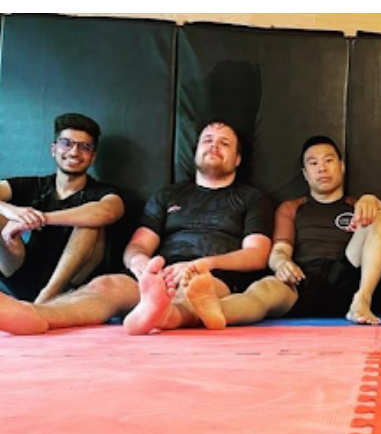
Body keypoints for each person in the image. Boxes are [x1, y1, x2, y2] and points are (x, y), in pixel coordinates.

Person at [0, 120, 273, 335]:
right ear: (195, 152)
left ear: (237, 158)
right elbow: (139, 245)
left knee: (194, 294)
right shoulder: (169, 195)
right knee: (105, 286)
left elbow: (256, 255)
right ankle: (37, 315)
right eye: (207, 140)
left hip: (210, 275)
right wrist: (139, 263)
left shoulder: (252, 198)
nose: (214, 146)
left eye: (224, 143)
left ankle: (158, 314)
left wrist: (203, 265)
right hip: (159, 271)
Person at [174, 135, 381, 330]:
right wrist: (282, 264)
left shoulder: (360, 205)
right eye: (313, 163)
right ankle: (216, 309)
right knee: (264, 289)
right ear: (305, 174)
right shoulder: (291, 208)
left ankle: (361, 302)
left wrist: (371, 200)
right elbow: (279, 250)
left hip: (350, 274)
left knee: (380, 215)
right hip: (303, 278)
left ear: (341, 166)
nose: (322, 168)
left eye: (329, 160)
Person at [0, 113, 124, 304]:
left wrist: (40, 218)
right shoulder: (34, 185)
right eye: (66, 143)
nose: (74, 152)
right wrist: (13, 212)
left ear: (93, 157)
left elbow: (108, 211)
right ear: (53, 149)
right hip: (22, 272)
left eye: (85, 147)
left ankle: (44, 301)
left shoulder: (103, 192)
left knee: (90, 223)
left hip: (70, 286)